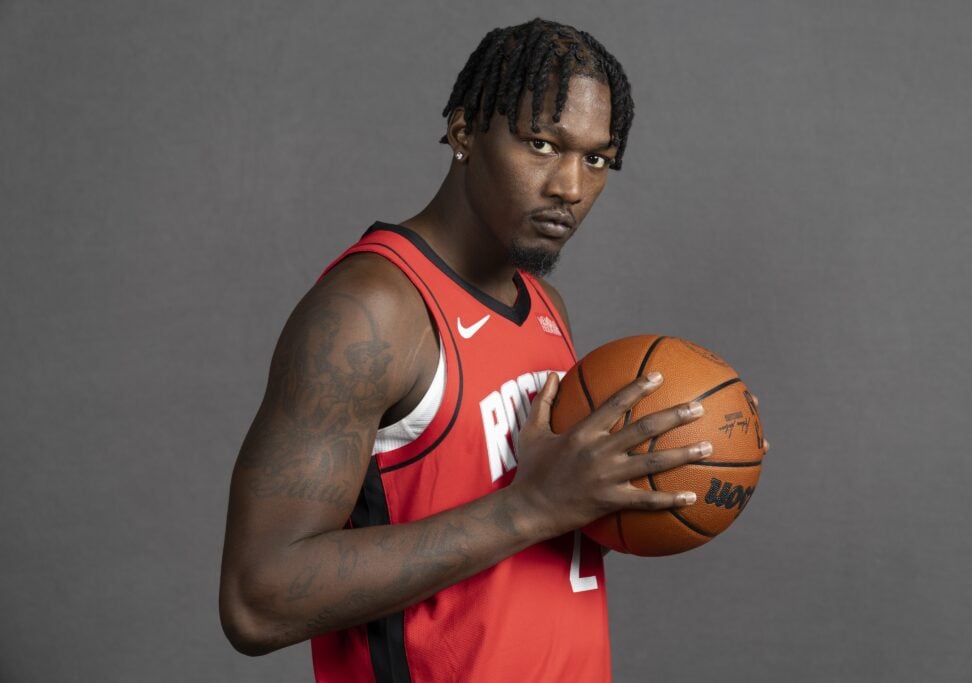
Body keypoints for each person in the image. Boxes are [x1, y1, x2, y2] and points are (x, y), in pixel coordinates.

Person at [219, 18, 716, 682]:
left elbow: (542, 535)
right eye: (541, 143)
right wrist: (529, 506)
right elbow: (257, 599)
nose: (570, 186)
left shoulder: (545, 310)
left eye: (596, 158)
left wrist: (678, 460)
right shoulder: (373, 311)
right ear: (464, 132)